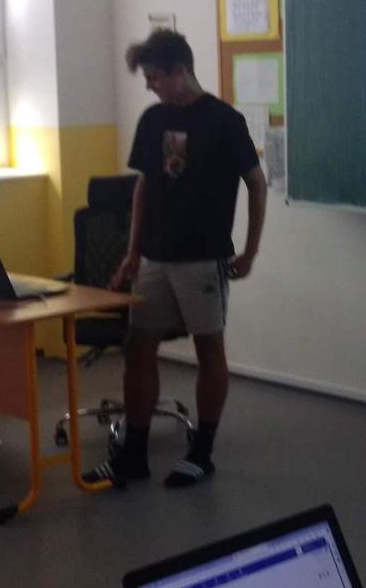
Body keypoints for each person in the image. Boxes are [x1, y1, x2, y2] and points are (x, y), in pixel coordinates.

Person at [84, 29, 268, 488]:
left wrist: (250, 251)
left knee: (209, 352)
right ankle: (134, 453)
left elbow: (256, 183)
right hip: (154, 259)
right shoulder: (152, 120)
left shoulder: (223, 121)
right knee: (138, 349)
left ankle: (201, 452)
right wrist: (132, 254)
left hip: (203, 258)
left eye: (154, 77)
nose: (150, 86)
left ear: (179, 71)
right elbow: (143, 187)